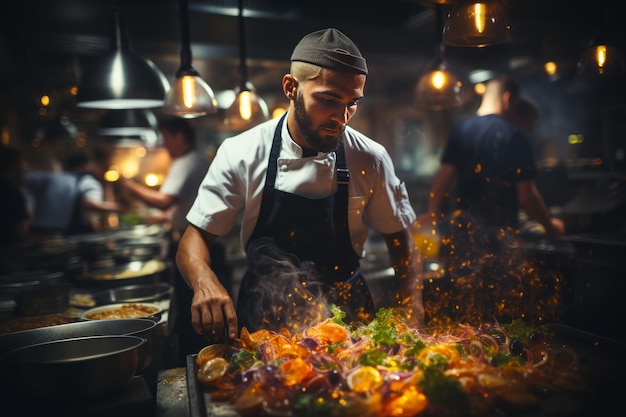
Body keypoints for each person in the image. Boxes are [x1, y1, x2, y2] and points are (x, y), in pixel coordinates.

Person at [176, 28, 423, 343]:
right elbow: (194, 237)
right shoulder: (242, 152)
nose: (342, 117)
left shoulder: (370, 157)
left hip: (349, 321)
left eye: (352, 103)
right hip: (265, 321)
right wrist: (204, 282)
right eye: (328, 99)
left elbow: (399, 238)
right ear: (291, 87)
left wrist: (412, 305)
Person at [420, 76, 565, 324]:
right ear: (509, 99)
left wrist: (431, 215)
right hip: (500, 245)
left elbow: (441, 181)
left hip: (462, 242)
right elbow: (526, 197)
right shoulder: (515, 136)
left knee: (463, 314)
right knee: (500, 318)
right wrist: (552, 227)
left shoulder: (461, 130)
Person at [119, 117, 229, 365]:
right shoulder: (190, 160)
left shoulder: (188, 161)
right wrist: (162, 219)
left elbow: (165, 200)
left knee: (200, 321)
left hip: (200, 251)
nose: (164, 144)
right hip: (197, 248)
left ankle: (203, 366)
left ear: (179, 136)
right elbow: (180, 206)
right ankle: (202, 362)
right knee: (198, 318)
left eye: (165, 137)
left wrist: (127, 185)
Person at [24, 147, 124, 236]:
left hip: (37, 230)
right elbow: (88, 204)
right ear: (86, 165)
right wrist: (118, 207)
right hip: (65, 233)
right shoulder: (88, 181)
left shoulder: (54, 177)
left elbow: (24, 179)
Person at [0, 145, 30, 246]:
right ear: (13, 165)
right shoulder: (12, 192)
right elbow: (20, 232)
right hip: (7, 254)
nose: (24, 169)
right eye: (22, 163)